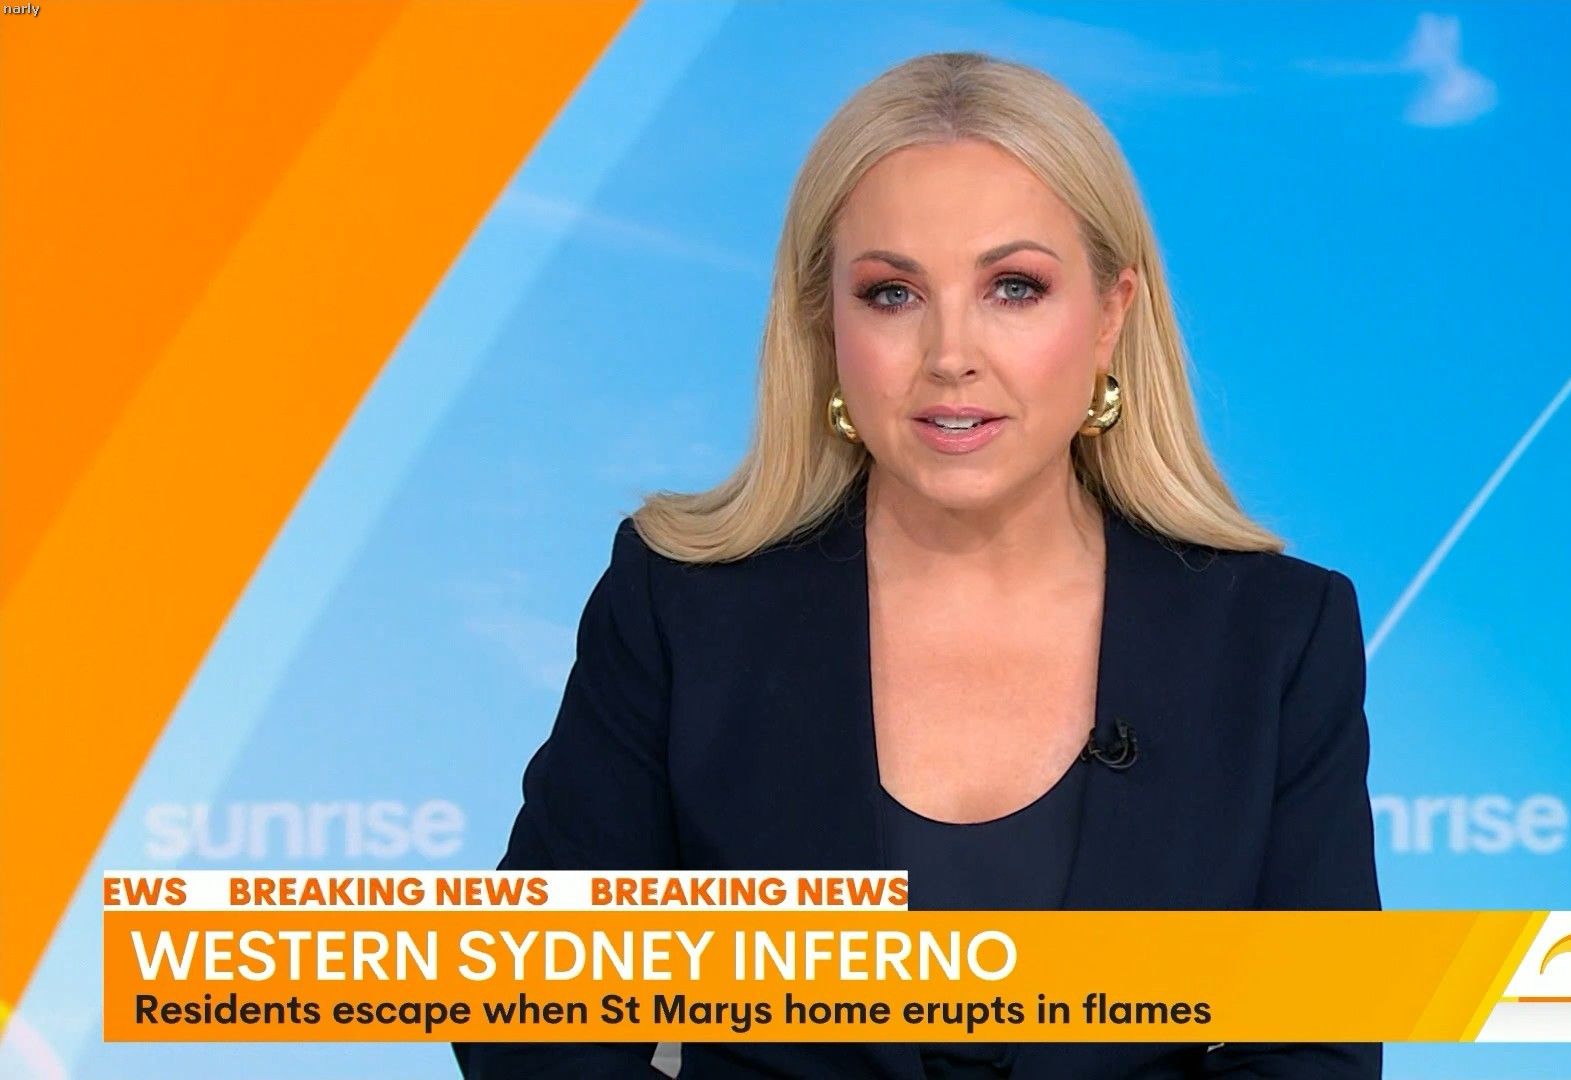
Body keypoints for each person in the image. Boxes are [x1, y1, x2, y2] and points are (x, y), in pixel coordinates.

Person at [453, 49, 1380, 1080]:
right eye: (893, 294)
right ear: (826, 322)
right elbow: (530, 1018)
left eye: (1014, 288)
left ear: (1112, 313)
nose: (950, 354)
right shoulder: (676, 606)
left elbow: (1315, 1049)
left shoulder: (1277, 637)